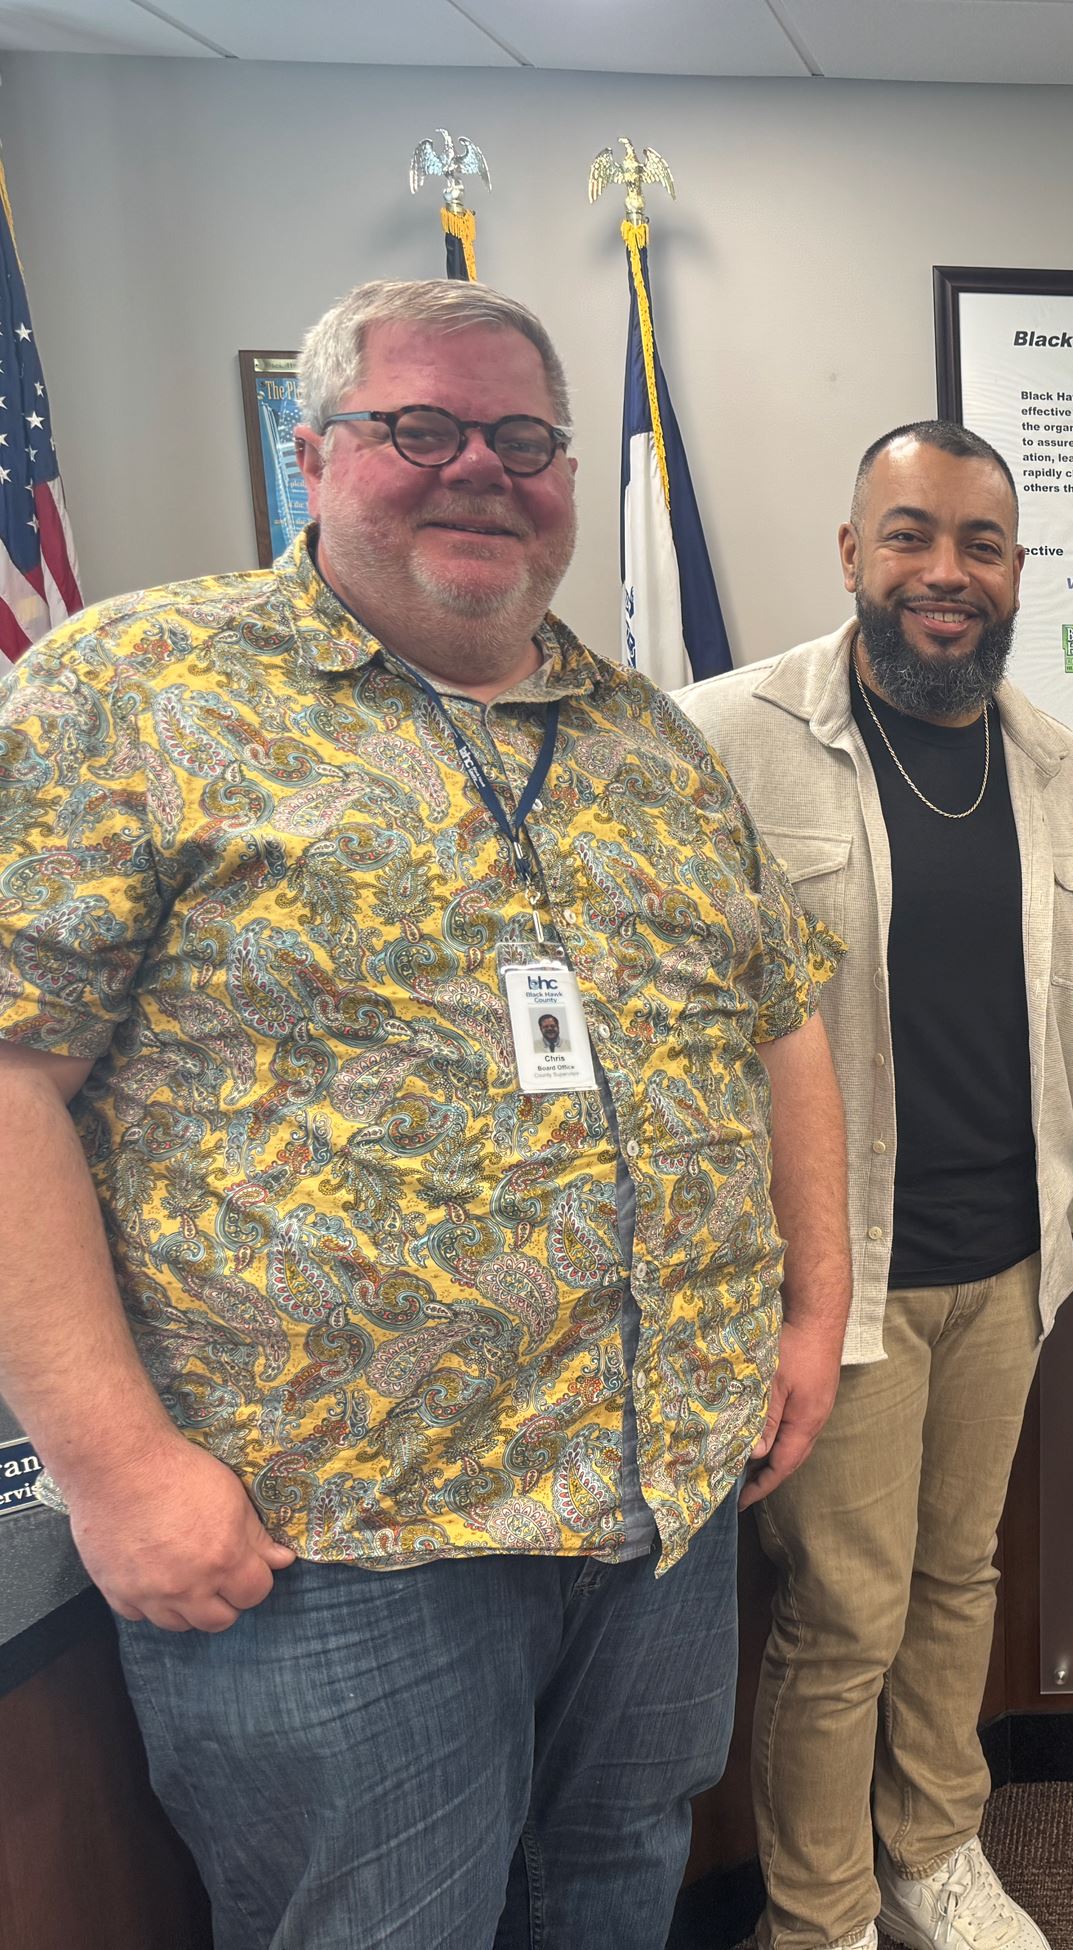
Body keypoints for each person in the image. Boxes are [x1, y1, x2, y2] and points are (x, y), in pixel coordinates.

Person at [0, 279, 851, 1949]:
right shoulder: (138, 695)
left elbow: (782, 1016)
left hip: (656, 1497)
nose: (482, 468)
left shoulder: (645, 740)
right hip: (334, 1535)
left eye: (524, 439)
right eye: (421, 428)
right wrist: (113, 1465)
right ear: (315, 454)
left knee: (614, 1892)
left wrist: (810, 1309)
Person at [681, 421, 1073, 1950]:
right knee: (843, 1615)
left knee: (957, 1581)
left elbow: (1069, 1015)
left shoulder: (1057, 764)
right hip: (831, 1276)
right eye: (912, 535)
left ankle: (934, 1851)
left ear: (1012, 573)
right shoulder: (720, 735)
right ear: (853, 553)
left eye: (981, 545)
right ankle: (823, 1913)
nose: (947, 571)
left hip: (1007, 1262)